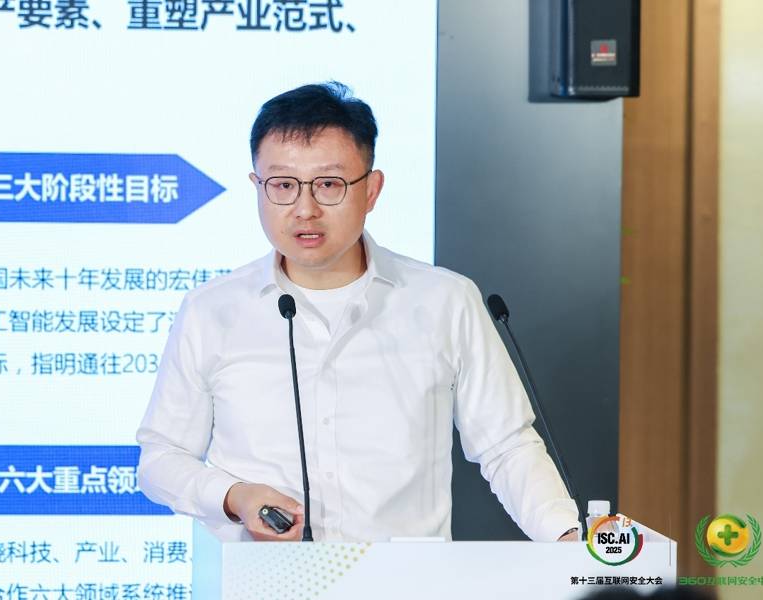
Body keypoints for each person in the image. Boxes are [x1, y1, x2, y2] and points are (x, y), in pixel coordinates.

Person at [136, 81, 580, 543]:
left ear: (371, 190)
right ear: (257, 188)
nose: (304, 209)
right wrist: (234, 497)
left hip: (406, 578)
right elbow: (161, 459)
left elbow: (507, 446)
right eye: (283, 185)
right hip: (265, 576)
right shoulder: (212, 310)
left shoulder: (444, 301)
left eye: (328, 185)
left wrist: (568, 541)